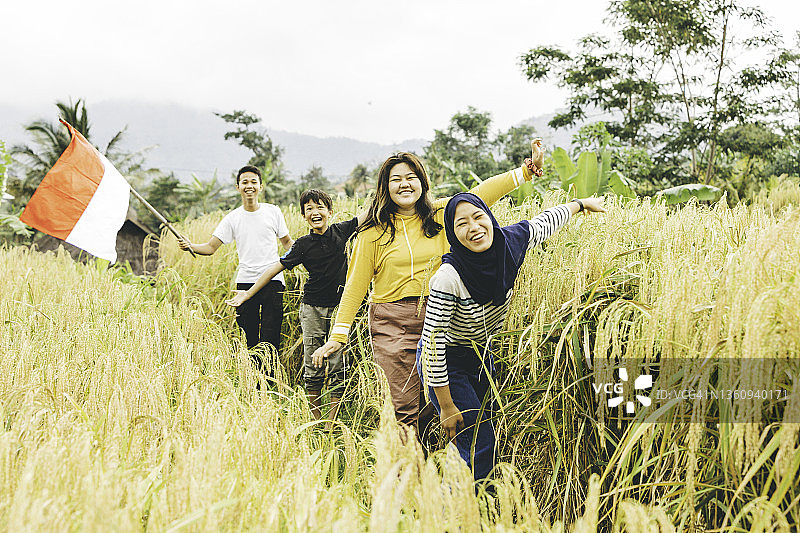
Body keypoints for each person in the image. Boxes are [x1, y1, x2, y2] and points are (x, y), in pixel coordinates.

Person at [312, 141, 547, 433]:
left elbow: (482, 195)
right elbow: (355, 287)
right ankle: (407, 475)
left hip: (441, 318)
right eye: (395, 179)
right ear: (385, 188)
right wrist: (338, 335)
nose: (404, 184)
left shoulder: (440, 215)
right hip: (392, 324)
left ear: (422, 182)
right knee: (405, 407)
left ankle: (446, 473)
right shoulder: (372, 232)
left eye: (411, 177)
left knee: (437, 407)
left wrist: (525, 171)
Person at [417, 192, 605, 480]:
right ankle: (468, 512)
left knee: (479, 430)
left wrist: (580, 205)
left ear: (490, 218)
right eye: (461, 224)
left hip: (481, 354)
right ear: (453, 235)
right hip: (446, 360)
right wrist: (445, 406)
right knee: (479, 441)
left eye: (479, 217)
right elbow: (433, 347)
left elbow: (543, 223)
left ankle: (461, 500)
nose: (474, 228)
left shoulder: (509, 244)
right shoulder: (447, 279)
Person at [226, 189, 367, 425]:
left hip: (341, 310)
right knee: (313, 361)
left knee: (338, 363)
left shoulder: (342, 231)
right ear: (303, 216)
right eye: (309, 209)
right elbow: (274, 268)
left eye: (320, 207)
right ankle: (315, 421)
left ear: (330, 212)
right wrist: (248, 293)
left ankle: (331, 424)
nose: (315, 212)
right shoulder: (302, 245)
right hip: (311, 309)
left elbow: (370, 214)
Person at [178, 165, 294, 365]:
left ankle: (270, 381)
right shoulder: (232, 218)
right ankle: (253, 381)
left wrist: (302, 257)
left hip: (273, 280)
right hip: (245, 283)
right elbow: (210, 247)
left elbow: (287, 243)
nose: (249, 186)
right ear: (238, 187)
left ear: (261, 186)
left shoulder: (273, 212)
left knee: (271, 334)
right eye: (245, 182)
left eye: (253, 182)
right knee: (249, 336)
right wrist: (190, 246)